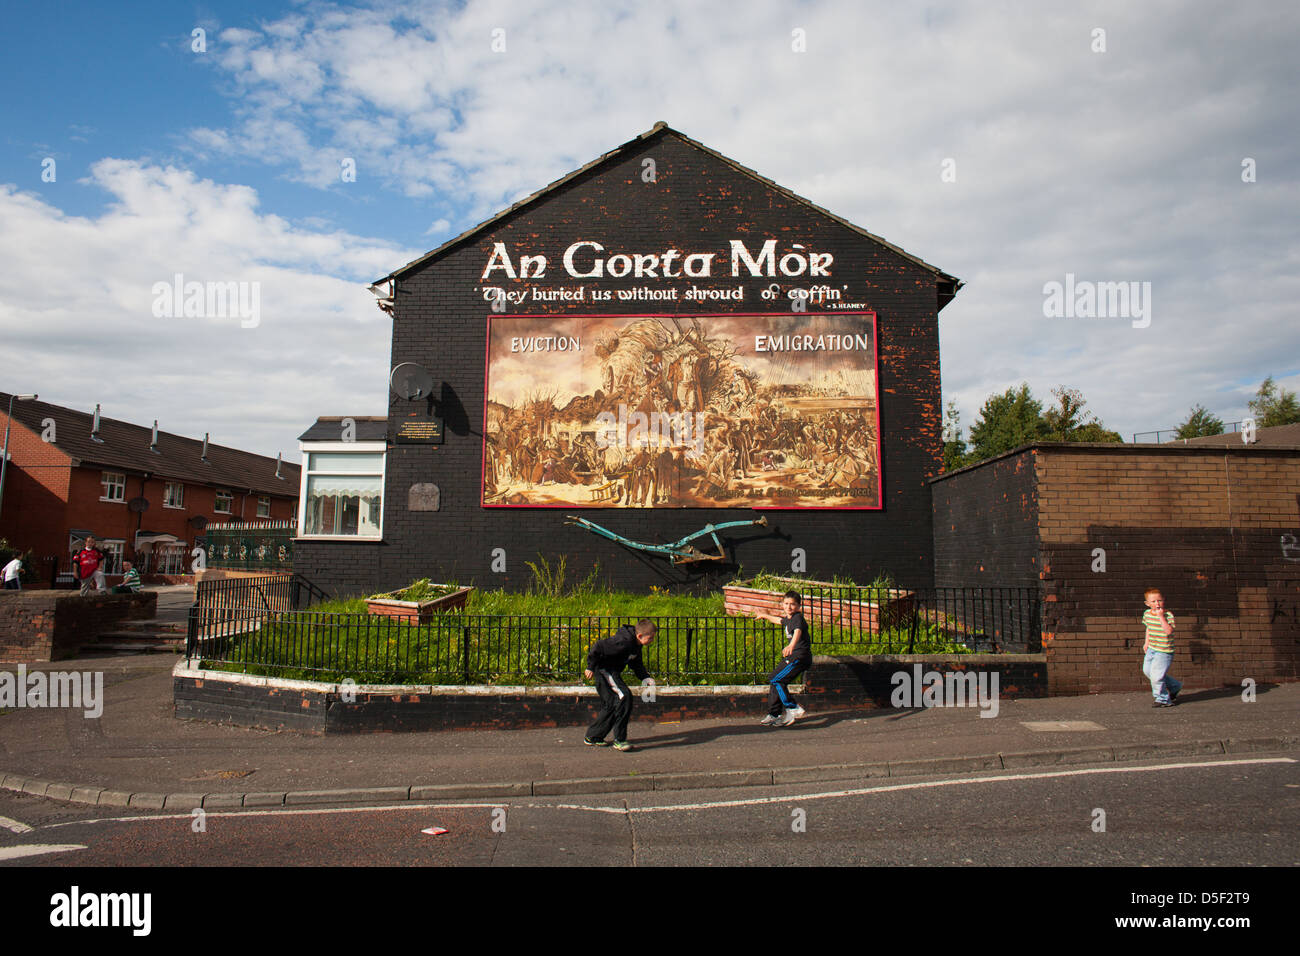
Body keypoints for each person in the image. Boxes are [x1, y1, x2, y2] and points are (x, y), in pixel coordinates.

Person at [583, 618, 656, 751]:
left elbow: (636, 663)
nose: (652, 641)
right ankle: (620, 740)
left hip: (611, 671)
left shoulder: (636, 645)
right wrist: (590, 666)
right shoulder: (623, 642)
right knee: (624, 697)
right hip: (604, 670)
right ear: (640, 636)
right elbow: (599, 646)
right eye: (650, 638)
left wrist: (645, 677)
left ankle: (593, 736)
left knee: (612, 703)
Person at [752, 590, 812, 727]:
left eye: (792, 604)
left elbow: (798, 631)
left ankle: (793, 708)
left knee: (777, 679)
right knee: (775, 679)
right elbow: (779, 620)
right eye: (786, 603)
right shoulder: (789, 619)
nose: (789, 607)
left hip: (799, 656)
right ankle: (774, 714)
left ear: (798, 606)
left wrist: (791, 645)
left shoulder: (797, 618)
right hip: (793, 656)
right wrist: (764, 615)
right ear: (782, 604)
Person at [1142, 587, 1181, 707]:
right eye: (1153, 602)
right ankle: (1174, 686)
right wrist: (1146, 642)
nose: (1157, 603)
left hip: (1164, 651)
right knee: (1148, 671)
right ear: (1147, 604)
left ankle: (1163, 699)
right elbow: (1148, 628)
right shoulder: (1147, 614)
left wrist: (1161, 617)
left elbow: (1168, 631)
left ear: (1163, 600)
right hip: (1152, 648)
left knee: (1157, 676)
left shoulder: (1168, 615)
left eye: (1159, 600)